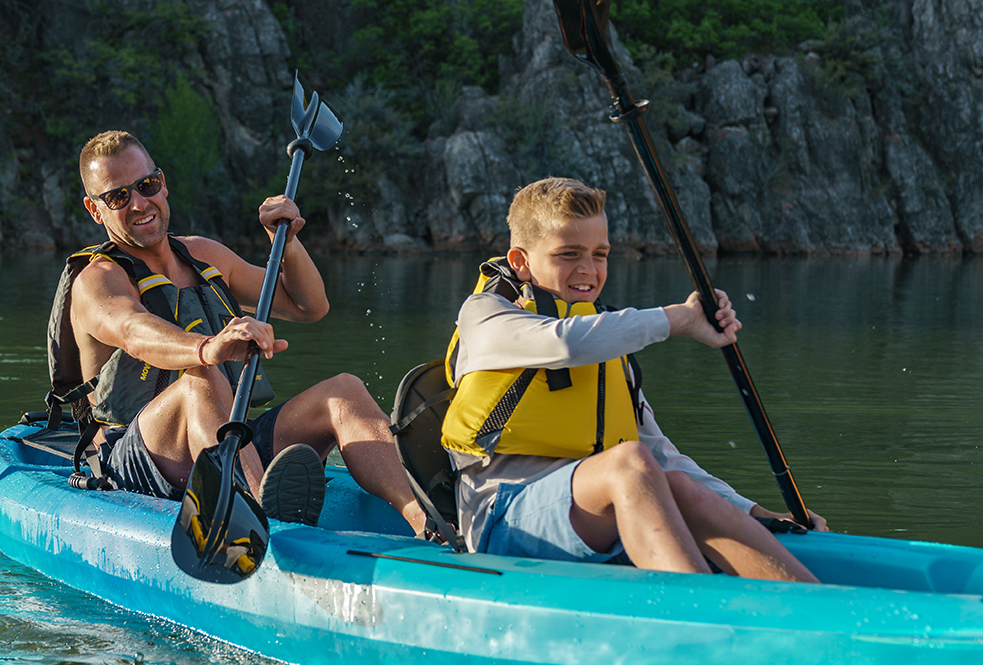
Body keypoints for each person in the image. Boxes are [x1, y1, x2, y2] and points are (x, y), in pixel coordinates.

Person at [440, 177, 828, 580]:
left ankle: (819, 609)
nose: (588, 269)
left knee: (675, 482)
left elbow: (658, 449)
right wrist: (679, 319)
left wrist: (753, 511)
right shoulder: (486, 316)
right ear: (520, 262)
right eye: (568, 254)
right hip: (503, 519)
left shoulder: (604, 335)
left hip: (596, 508)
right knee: (630, 464)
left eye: (600, 254)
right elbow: (567, 345)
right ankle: (702, 611)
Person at [57, 129, 424, 533]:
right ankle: (260, 525)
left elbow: (309, 306)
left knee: (344, 391)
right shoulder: (97, 281)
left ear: (163, 184)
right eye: (119, 196)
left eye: (147, 185)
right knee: (202, 379)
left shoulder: (203, 255)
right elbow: (132, 330)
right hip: (137, 459)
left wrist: (284, 242)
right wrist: (209, 348)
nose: (140, 203)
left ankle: (429, 525)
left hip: (228, 441)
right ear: (96, 210)